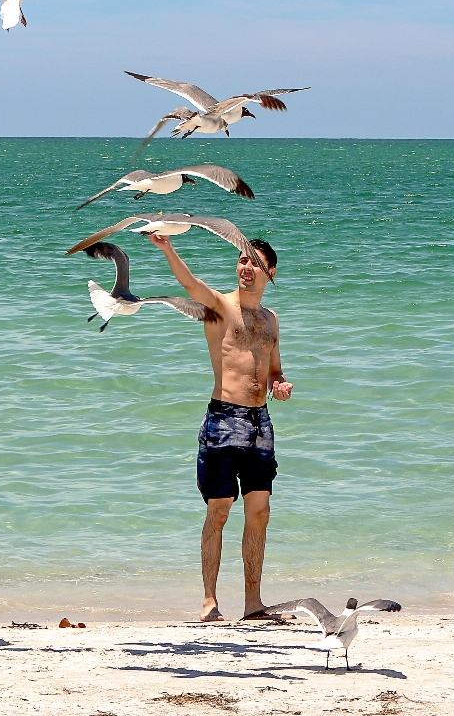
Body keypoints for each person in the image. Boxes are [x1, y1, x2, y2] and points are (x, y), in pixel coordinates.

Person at [149, 234, 292, 623]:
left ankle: (253, 604)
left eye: (255, 264)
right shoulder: (219, 307)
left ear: (270, 272)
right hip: (224, 419)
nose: (246, 268)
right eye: (242, 260)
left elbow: (274, 367)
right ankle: (209, 602)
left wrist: (279, 383)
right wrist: (167, 247)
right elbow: (191, 285)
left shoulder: (271, 319)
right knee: (219, 510)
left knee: (259, 511)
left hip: (260, 422)